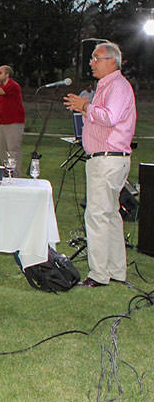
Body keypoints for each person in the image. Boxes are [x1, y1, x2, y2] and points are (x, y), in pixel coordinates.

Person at [64, 42, 136, 287]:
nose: (91, 62)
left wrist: (85, 106)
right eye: (92, 58)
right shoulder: (107, 86)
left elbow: (109, 117)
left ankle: (98, 275)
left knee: (96, 216)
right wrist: (85, 109)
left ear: (112, 61)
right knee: (110, 215)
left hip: (107, 159)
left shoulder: (117, 86)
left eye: (96, 58)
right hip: (109, 158)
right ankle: (116, 270)